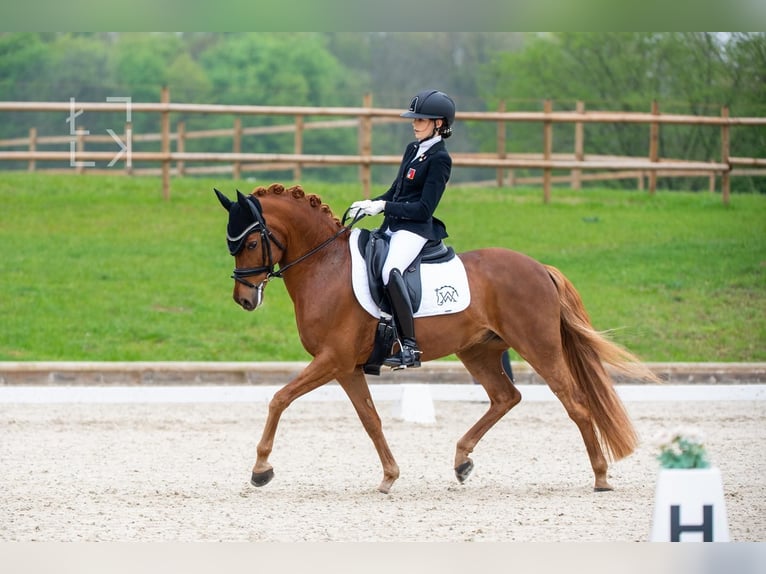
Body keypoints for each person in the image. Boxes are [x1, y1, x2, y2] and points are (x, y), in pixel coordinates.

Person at [349, 89, 456, 369]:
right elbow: (396, 190)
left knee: (389, 270)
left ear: (439, 124)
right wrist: (370, 203)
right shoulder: (412, 149)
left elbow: (423, 209)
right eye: (415, 119)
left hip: (415, 230)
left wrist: (384, 208)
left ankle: (410, 346)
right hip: (394, 225)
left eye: (422, 120)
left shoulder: (440, 160)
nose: (415, 123)